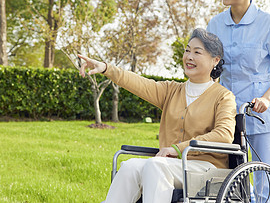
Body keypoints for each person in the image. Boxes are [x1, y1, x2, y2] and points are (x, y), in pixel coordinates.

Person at [79, 28, 236, 203]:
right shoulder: (171, 91)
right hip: (172, 165)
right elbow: (138, 83)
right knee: (130, 166)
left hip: (207, 170)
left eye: (197, 52)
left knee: (155, 165)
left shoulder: (224, 96)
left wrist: (178, 148)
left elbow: (224, 136)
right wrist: (106, 68)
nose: (189, 57)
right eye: (187, 50)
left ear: (215, 60)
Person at [207, 0, 270, 202]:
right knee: (233, 184)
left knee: (265, 186)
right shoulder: (215, 24)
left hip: (262, 115)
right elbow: (211, 69)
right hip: (227, 115)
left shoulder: (267, 24)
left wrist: (267, 97)